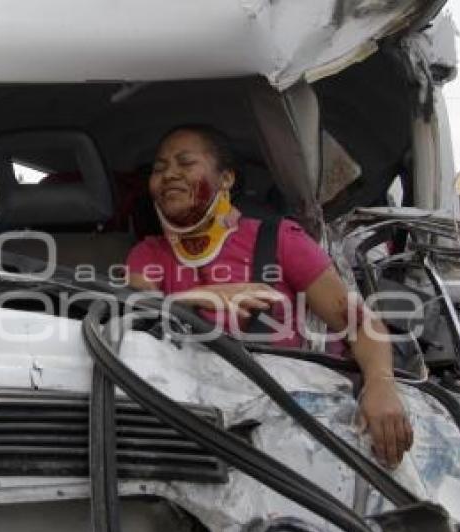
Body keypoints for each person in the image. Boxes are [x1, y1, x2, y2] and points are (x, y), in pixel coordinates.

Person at [126, 125, 413, 467]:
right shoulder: (147, 254)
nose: (169, 174)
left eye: (185, 163)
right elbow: (134, 312)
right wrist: (204, 296)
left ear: (227, 179)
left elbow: (361, 325)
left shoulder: (279, 240)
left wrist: (380, 384)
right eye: (159, 169)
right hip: (190, 425)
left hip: (285, 425)